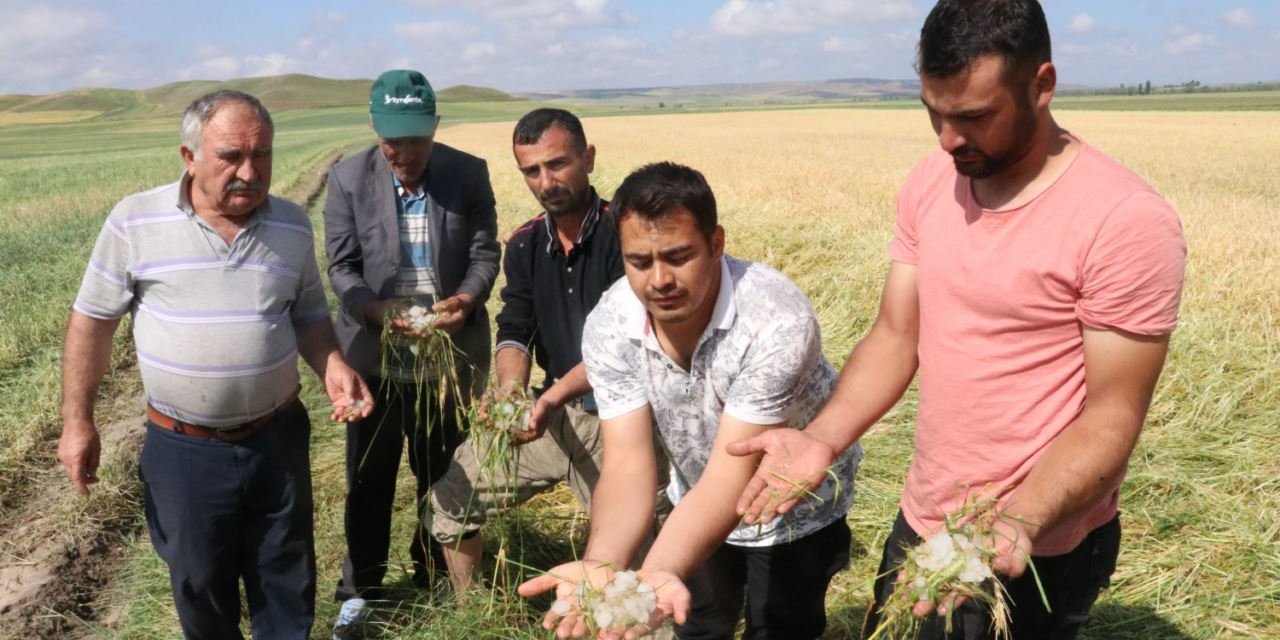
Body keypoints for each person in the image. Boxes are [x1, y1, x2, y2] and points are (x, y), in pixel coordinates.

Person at [729, 1, 1187, 638]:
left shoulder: (1125, 221)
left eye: (972, 117)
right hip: (924, 515)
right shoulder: (931, 182)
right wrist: (821, 438)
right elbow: (897, 334)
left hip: (1033, 546)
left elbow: (1115, 411)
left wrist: (1021, 519)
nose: (948, 139)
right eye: (933, 113)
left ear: (1042, 85)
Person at [57, 89, 374, 640]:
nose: (250, 172)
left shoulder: (293, 225)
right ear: (189, 156)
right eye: (231, 155)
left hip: (277, 439)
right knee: (200, 587)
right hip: (184, 450)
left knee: (286, 580)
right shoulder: (135, 221)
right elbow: (92, 325)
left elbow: (308, 317)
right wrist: (78, 422)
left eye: (263, 155)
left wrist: (333, 367)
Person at [518, 162, 862, 639]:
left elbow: (732, 473)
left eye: (679, 256)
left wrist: (651, 573)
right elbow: (627, 464)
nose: (659, 280)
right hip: (694, 503)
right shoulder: (612, 323)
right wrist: (606, 566)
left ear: (716, 244)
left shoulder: (776, 321)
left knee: (782, 627)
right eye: (639, 261)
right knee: (699, 625)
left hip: (792, 511)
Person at [430, 108, 666, 593]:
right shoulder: (523, 246)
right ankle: (470, 611)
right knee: (452, 499)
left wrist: (549, 397)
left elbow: (624, 344)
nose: (546, 181)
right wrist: (512, 392)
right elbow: (515, 326)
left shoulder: (628, 238)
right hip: (549, 413)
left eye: (557, 164)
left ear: (589, 158)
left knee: (634, 564)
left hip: (623, 420)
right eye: (531, 171)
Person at [323, 69, 499, 632]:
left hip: (446, 355)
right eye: (392, 140)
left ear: (436, 127)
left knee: (442, 471)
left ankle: (437, 574)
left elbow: (483, 254)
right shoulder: (349, 179)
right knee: (370, 475)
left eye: (416, 139)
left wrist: (466, 301)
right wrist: (380, 313)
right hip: (375, 354)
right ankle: (361, 588)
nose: (404, 152)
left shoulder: (468, 174)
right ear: (375, 129)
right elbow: (344, 269)